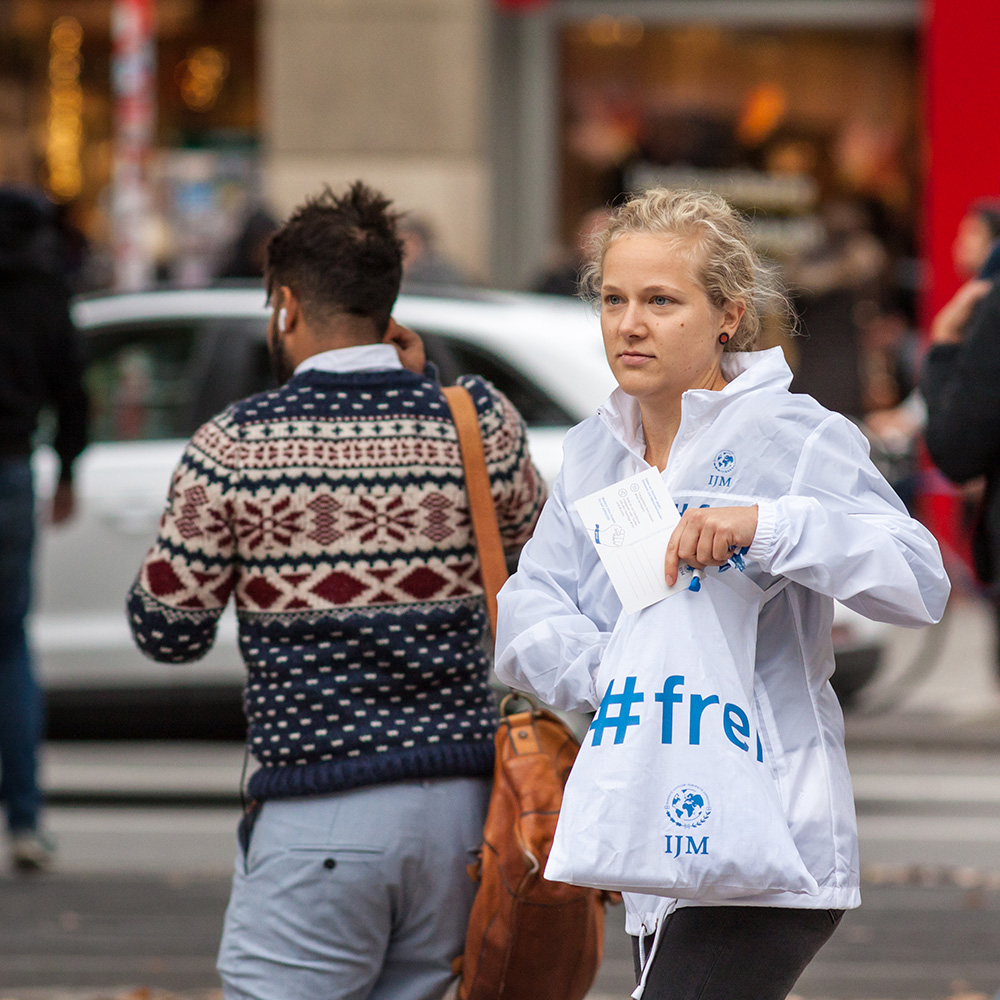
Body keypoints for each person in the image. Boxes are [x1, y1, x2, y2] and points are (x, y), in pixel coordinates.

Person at [494, 187, 950, 1000]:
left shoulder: (793, 435)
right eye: (613, 300)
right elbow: (527, 614)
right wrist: (625, 670)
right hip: (646, 830)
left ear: (728, 316)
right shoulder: (595, 451)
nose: (630, 325)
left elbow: (917, 581)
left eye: (661, 301)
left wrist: (769, 526)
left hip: (770, 835)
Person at [126, 181, 546, 1000]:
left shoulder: (236, 446)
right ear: (390, 302)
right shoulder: (477, 422)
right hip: (466, 820)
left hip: (317, 807)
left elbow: (167, 630)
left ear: (285, 306)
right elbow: (541, 568)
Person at [0, 185, 89, 871]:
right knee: (10, 649)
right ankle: (26, 821)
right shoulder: (44, 285)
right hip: (10, 468)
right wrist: (67, 470)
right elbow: (72, 389)